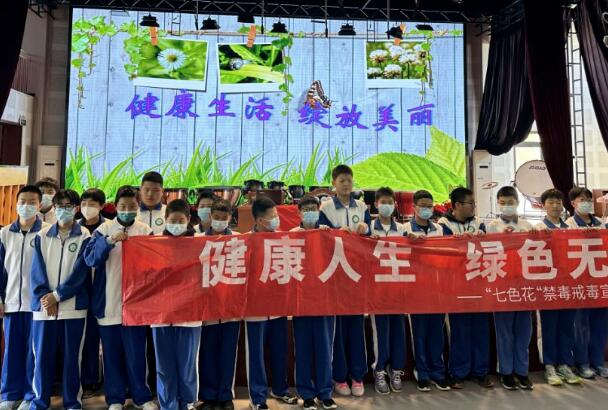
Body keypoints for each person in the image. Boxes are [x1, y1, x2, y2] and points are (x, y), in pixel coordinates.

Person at [84, 186, 158, 410]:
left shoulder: (145, 230)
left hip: (136, 305)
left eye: (132, 206)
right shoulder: (103, 229)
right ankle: (115, 399)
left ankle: (141, 397)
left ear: (138, 207)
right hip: (108, 303)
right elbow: (91, 259)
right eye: (123, 206)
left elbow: (156, 265)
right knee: (111, 355)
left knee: (137, 355)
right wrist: (109, 241)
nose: (127, 210)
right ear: (115, 206)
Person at [29, 189, 92, 410]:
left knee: (72, 359)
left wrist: (57, 296)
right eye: (59, 206)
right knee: (41, 358)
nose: (63, 210)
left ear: (76, 209)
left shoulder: (85, 235)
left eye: (68, 206)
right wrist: (46, 299)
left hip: (73, 308)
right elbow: (36, 271)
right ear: (53, 209)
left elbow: (81, 273)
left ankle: (72, 402)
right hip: (44, 308)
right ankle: (40, 402)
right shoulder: (42, 235)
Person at [318, 164, 370, 397]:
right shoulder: (326, 208)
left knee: (356, 327)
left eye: (349, 180)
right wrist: (340, 231)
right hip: (335, 274)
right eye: (342, 180)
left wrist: (365, 230)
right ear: (334, 184)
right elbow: (323, 238)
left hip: (356, 274)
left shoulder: (362, 206)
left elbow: (368, 239)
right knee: (338, 329)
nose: (346, 184)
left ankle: (357, 376)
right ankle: (339, 377)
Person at [437, 187, 493, 389]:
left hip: (477, 282)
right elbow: (444, 252)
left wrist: (481, 238)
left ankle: (480, 372)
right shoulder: (443, 225)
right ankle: (458, 372)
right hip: (455, 284)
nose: (473, 206)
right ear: (458, 205)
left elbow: (487, 249)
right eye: (470, 203)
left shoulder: (479, 224)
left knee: (480, 329)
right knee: (459, 330)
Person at [246, 197, 297, 410]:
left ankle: (280, 389)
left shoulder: (283, 239)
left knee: (279, 350)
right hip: (255, 309)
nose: (277, 220)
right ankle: (257, 397)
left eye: (277, 215)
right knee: (256, 355)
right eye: (272, 217)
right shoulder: (246, 241)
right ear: (259, 220)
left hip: (278, 307)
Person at [0, 185, 48, 410]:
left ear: (39, 205)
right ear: (17, 204)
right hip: (11, 302)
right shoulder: (4, 233)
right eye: (22, 202)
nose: (26, 206)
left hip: (37, 304)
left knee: (33, 352)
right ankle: (9, 394)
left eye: (32, 202)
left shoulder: (47, 232)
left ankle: (30, 395)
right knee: (11, 351)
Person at [152, 199, 201, 410]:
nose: (177, 224)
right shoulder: (154, 242)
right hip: (161, 315)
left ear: (188, 220)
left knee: (187, 364)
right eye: (173, 220)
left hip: (189, 314)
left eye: (181, 220)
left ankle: (187, 402)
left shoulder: (199, 242)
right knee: (164, 365)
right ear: (166, 219)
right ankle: (168, 405)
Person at [290, 196, 337, 410]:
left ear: (319, 211)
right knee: (303, 349)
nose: (310, 212)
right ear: (299, 212)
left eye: (313, 208)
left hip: (325, 300)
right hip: (301, 301)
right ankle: (306, 394)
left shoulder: (327, 233)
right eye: (306, 209)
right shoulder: (291, 235)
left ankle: (325, 392)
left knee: (325, 349)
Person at [486, 186, 534, 390]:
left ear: (518, 202)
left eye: (511, 202)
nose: (507, 206)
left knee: (524, 331)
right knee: (504, 331)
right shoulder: (491, 226)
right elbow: (486, 253)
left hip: (523, 284)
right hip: (502, 284)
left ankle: (522, 371)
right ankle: (506, 372)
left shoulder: (527, 225)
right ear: (498, 203)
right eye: (503, 203)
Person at [533, 189, 582, 386]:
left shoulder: (570, 228)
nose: (555, 206)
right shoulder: (537, 228)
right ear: (543, 205)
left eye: (558, 202)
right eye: (551, 202)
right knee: (548, 327)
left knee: (567, 326)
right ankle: (549, 365)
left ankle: (564, 363)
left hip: (568, 285)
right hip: (547, 286)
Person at [404, 190, 450, 392]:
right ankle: (421, 372)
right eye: (422, 206)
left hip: (436, 288)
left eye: (429, 206)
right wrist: (408, 238)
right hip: (416, 289)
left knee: (436, 333)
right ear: (414, 207)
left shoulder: (439, 229)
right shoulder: (405, 228)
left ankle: (438, 372)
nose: (426, 209)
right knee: (419, 333)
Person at [199, 199, 240, 410]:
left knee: (228, 353)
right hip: (207, 308)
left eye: (224, 218)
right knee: (207, 353)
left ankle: (225, 395)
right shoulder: (197, 240)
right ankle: (208, 396)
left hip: (231, 308)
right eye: (216, 217)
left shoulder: (240, 240)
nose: (220, 221)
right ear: (210, 216)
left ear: (230, 218)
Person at [565, 186, 608, 379]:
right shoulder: (569, 224)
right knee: (581, 325)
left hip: (600, 281)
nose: (586, 203)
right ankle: (581, 363)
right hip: (580, 282)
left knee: (600, 324)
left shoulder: (600, 223)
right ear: (573, 203)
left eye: (589, 200)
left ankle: (597, 362)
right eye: (582, 200)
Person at [368, 187, 407, 395]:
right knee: (381, 332)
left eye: (390, 202)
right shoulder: (368, 228)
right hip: (377, 289)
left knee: (398, 331)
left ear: (395, 205)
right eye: (383, 202)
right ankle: (380, 370)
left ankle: (396, 370)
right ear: (376, 204)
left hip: (398, 287)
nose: (386, 206)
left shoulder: (402, 229)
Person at [78, 188, 106, 397]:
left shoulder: (107, 228)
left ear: (102, 206)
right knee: (85, 337)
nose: (88, 208)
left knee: (100, 336)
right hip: (80, 287)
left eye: (93, 204)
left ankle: (98, 378)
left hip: (103, 287)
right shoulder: (75, 228)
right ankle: (86, 380)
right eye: (84, 203)